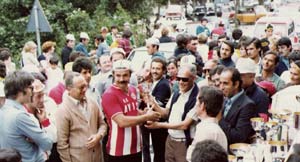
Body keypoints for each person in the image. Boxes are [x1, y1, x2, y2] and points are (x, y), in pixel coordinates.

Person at [101, 60, 161, 162]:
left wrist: (143, 113)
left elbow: (132, 111)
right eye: (118, 75)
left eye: (125, 75)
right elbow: (122, 121)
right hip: (119, 151)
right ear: (113, 75)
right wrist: (146, 117)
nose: (121, 79)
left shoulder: (133, 90)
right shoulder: (109, 94)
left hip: (136, 147)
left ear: (130, 75)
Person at [145, 64, 199, 162]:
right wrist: (154, 103)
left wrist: (158, 125)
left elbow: (184, 125)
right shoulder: (176, 93)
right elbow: (166, 113)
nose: (181, 82)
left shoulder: (197, 98)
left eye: (184, 79)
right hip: (170, 140)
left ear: (194, 78)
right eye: (178, 79)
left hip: (183, 143)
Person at [0, 71, 53, 162]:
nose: (32, 92)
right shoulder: (19, 116)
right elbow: (47, 143)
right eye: (31, 88)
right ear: (21, 90)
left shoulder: (4, 110)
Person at [56, 72, 107, 162]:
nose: (84, 90)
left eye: (85, 86)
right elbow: (62, 145)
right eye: (81, 88)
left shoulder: (92, 102)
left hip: (98, 157)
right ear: (69, 89)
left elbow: (103, 124)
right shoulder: (63, 110)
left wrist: (98, 136)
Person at [186, 86, 227, 162]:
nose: (195, 105)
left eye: (197, 101)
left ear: (202, 106)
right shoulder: (208, 128)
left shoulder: (207, 130)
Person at [141, 58, 171, 162]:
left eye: (158, 69)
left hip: (159, 125)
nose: (154, 71)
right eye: (153, 68)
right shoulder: (155, 82)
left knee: (159, 154)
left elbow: (157, 105)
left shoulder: (163, 84)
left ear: (163, 71)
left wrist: (147, 102)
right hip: (155, 124)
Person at [219, 67, 256, 145]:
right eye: (220, 83)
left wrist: (219, 119)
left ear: (236, 84)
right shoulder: (223, 99)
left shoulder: (248, 105)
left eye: (225, 83)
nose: (221, 87)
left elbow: (239, 136)